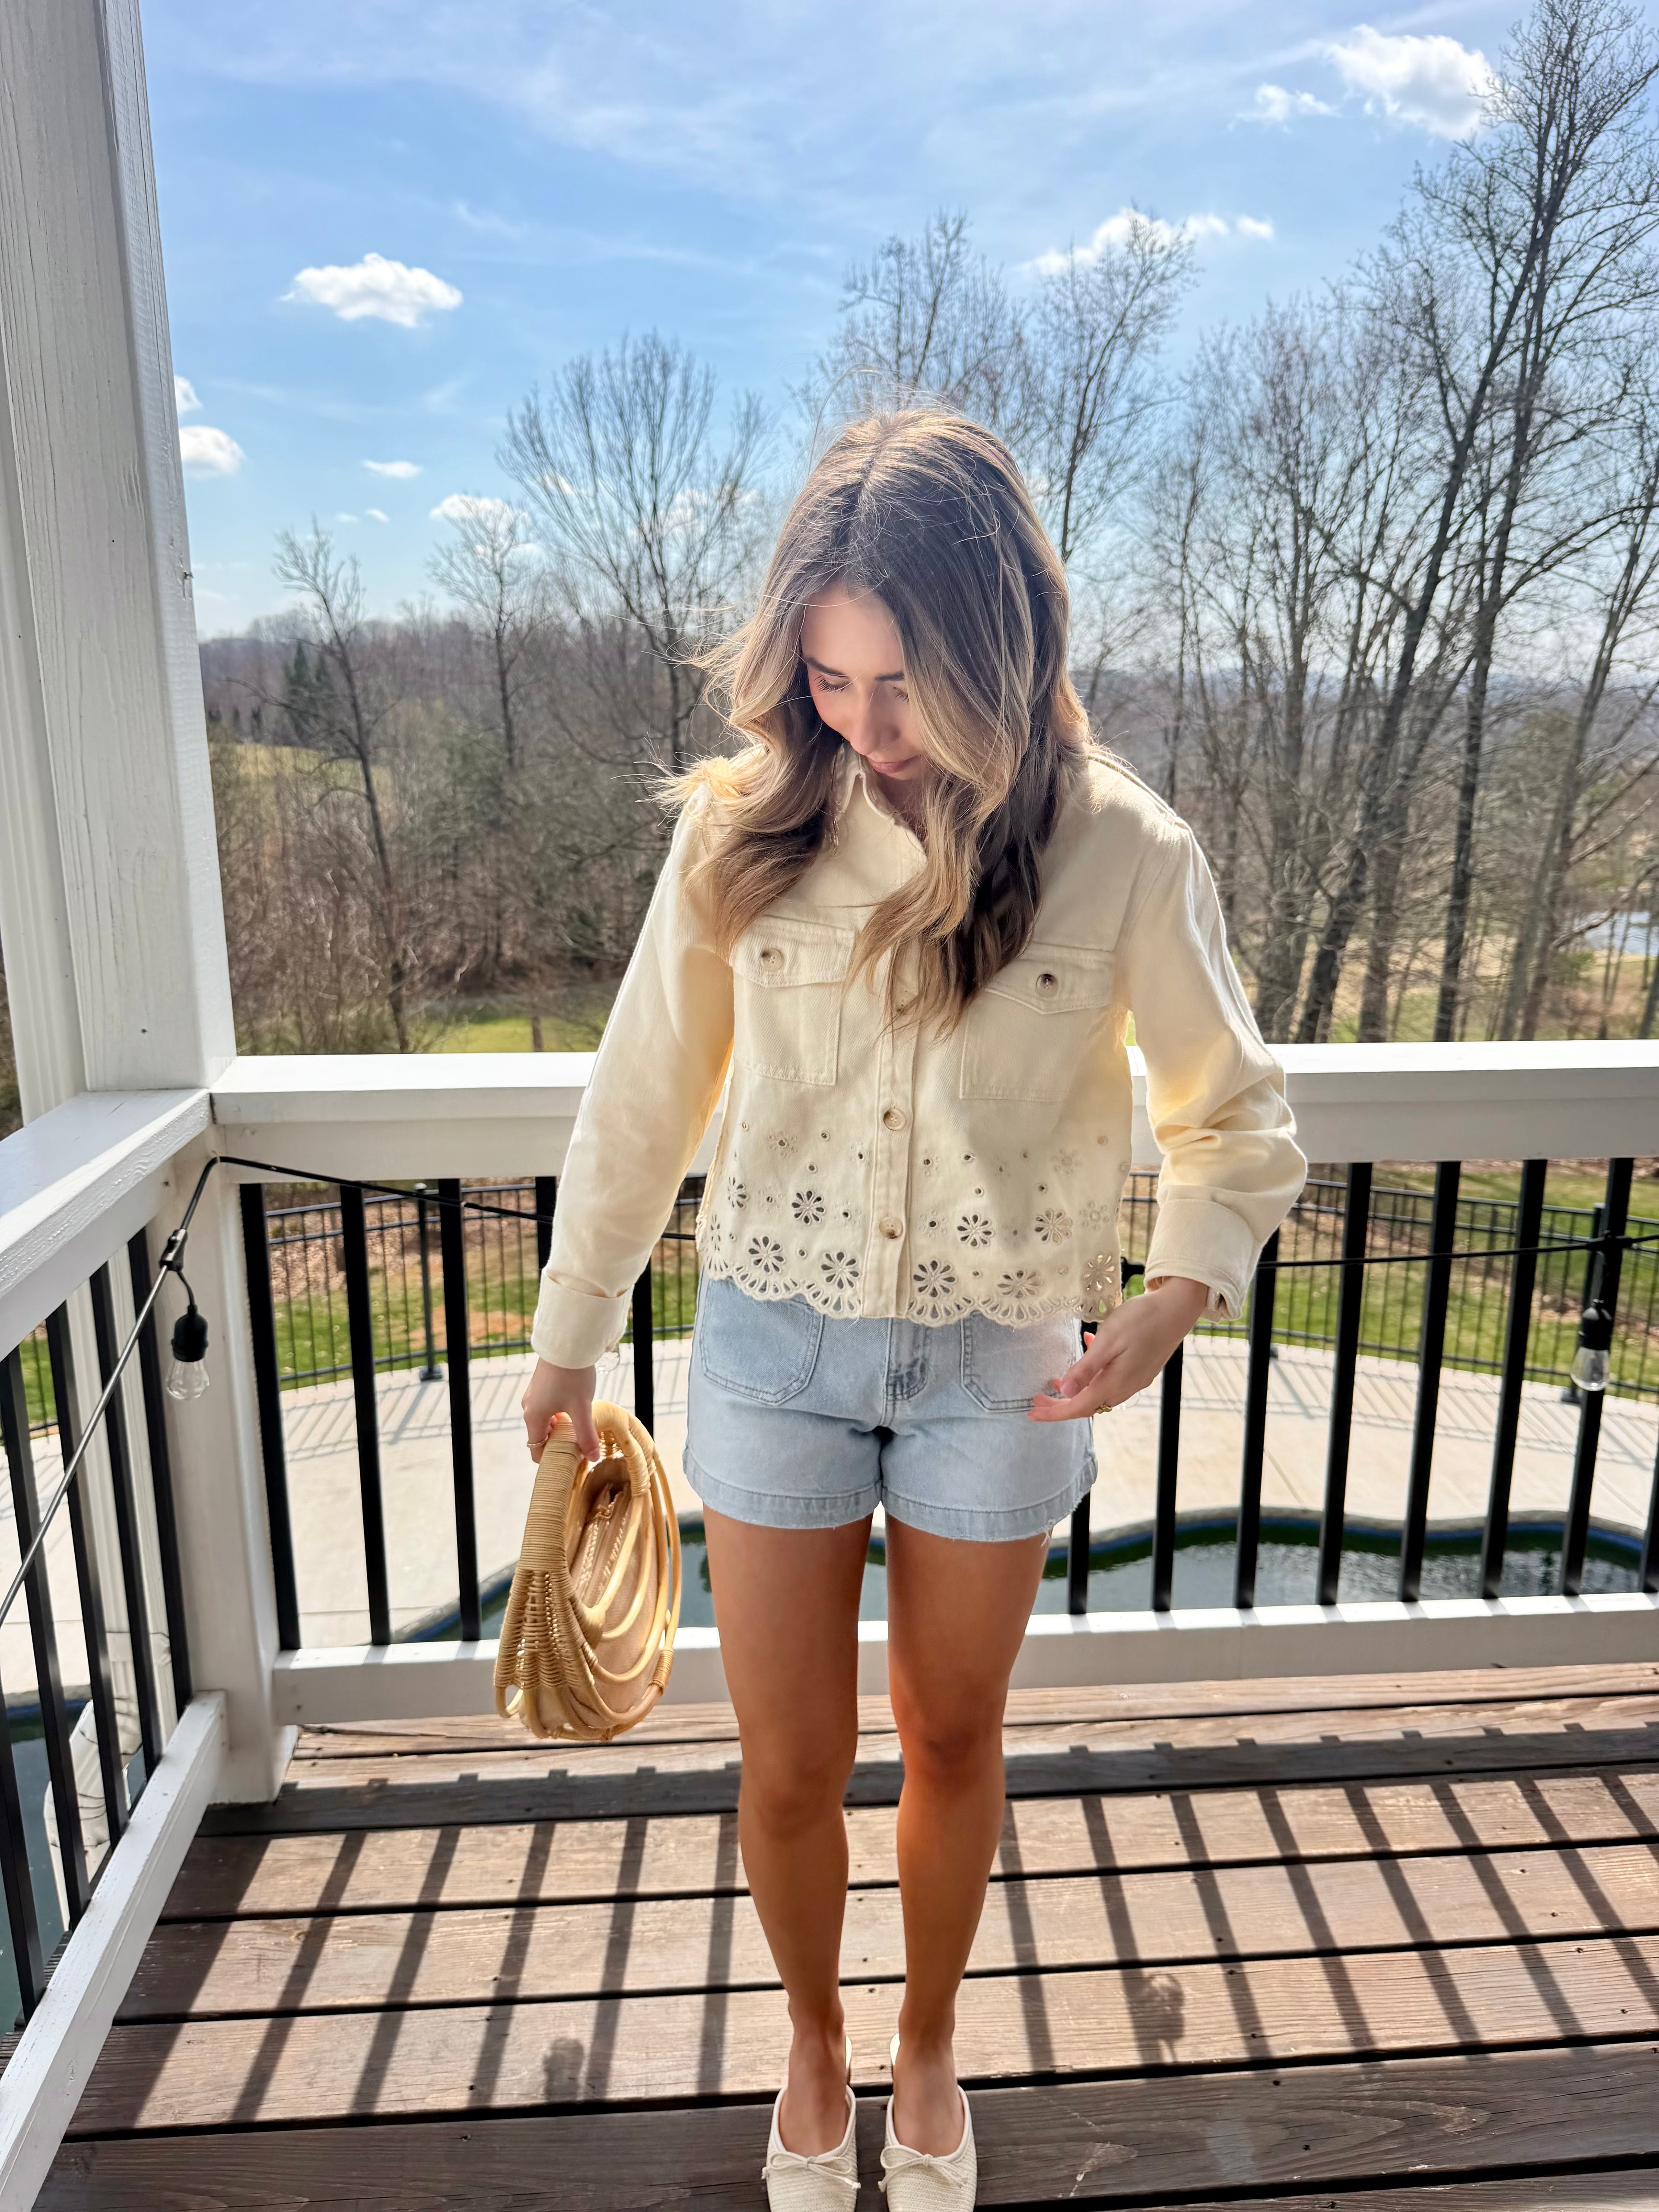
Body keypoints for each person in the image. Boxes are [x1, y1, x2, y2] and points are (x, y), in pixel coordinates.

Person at [521, 411, 1306, 2210]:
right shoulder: (743, 831)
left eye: (903, 681)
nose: (865, 725)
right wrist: (571, 1333)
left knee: (954, 1736)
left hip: (999, 1361)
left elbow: (1235, 1105)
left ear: (1003, 650)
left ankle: (929, 2029)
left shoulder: (1121, 845)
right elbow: (642, 1092)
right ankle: (812, 2030)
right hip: (777, 1344)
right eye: (829, 674)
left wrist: (1176, 1291)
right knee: (790, 1759)